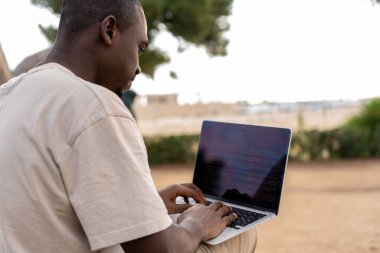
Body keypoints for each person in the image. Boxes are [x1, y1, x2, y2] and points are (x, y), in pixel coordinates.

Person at [0, 0, 257, 252]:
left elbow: (44, 206)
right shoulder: (95, 106)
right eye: (140, 48)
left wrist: (148, 204)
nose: (138, 68)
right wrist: (197, 225)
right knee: (239, 232)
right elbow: (161, 250)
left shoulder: (8, 96)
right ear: (109, 30)